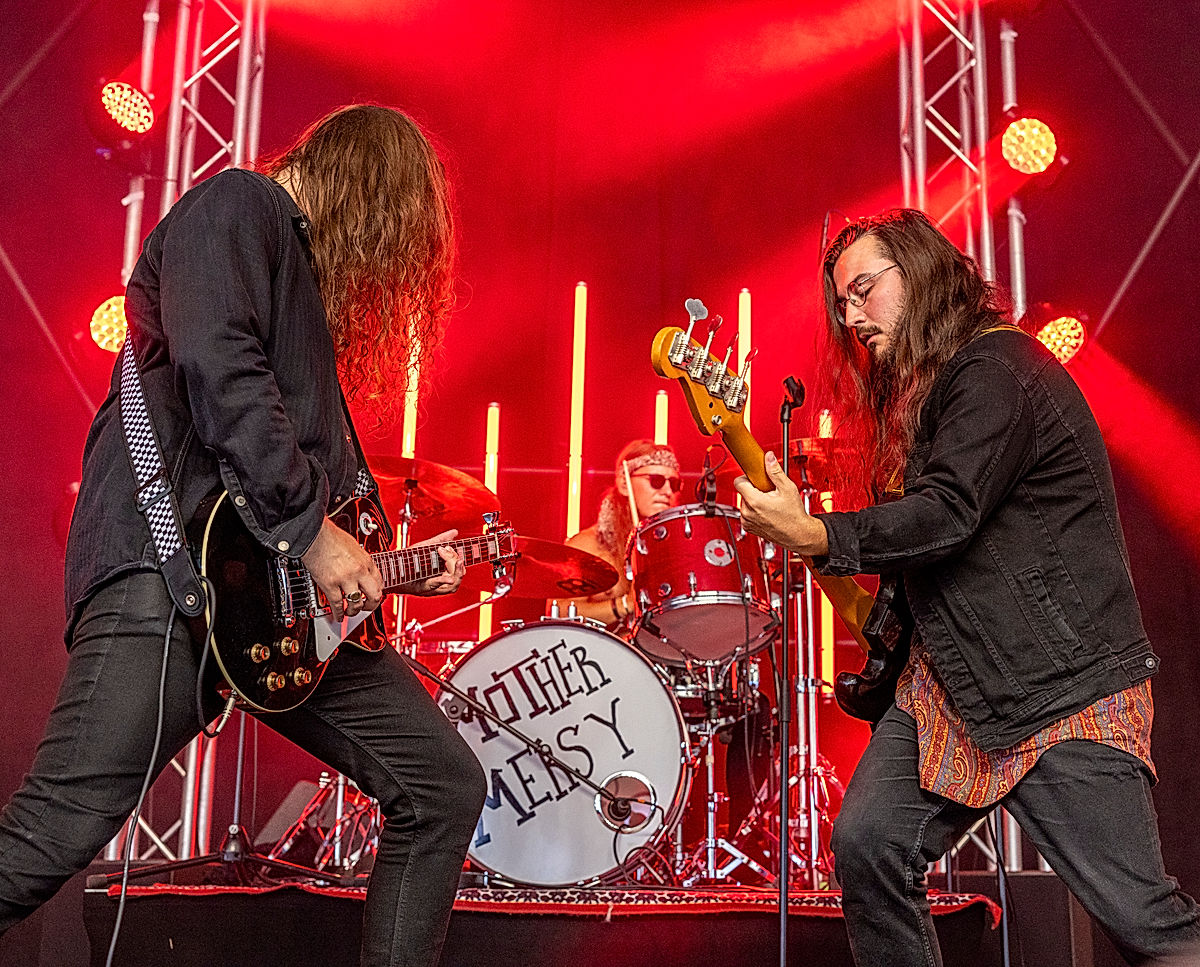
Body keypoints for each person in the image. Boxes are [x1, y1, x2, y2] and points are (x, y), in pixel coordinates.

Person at [0, 104, 486, 967]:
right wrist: (309, 529)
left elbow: (300, 489)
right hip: (171, 574)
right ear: (364, 191)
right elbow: (220, 364)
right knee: (54, 831)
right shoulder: (236, 204)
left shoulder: (292, 276)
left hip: (269, 612)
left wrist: (390, 565)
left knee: (442, 783)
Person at [735, 208, 1200, 966]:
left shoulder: (996, 367)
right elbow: (926, 552)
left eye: (863, 290)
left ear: (916, 274)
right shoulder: (926, 399)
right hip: (952, 690)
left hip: (1058, 690)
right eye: (841, 304)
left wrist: (822, 533)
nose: (851, 317)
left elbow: (948, 512)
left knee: (1147, 921)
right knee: (869, 845)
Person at [549, 438, 681, 630]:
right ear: (624, 484)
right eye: (656, 481)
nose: (668, 491)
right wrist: (626, 603)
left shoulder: (678, 550)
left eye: (675, 484)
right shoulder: (587, 547)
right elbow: (559, 611)